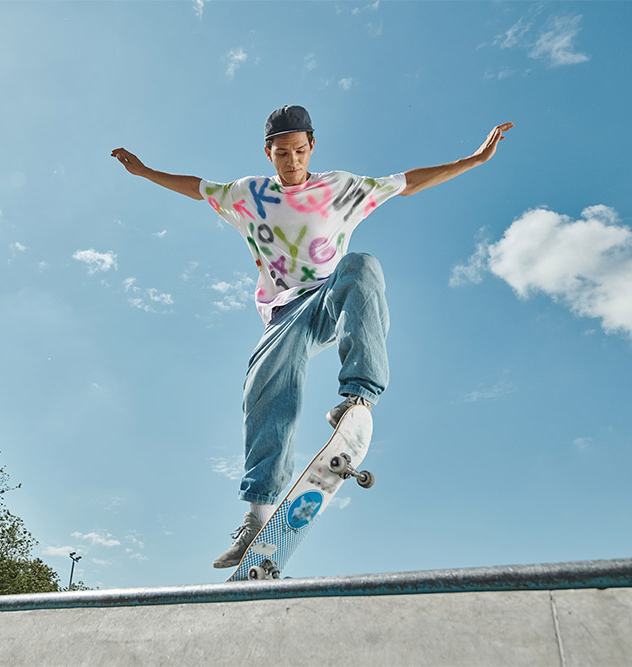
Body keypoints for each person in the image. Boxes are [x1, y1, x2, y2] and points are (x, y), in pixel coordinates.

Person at [112, 106, 513, 568]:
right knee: (264, 386)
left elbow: (407, 182)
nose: (292, 161)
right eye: (282, 153)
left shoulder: (340, 187)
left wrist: (472, 160)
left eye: (299, 151)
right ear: (268, 152)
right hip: (284, 312)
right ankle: (259, 517)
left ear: (312, 147)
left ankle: (357, 398)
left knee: (362, 266)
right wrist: (143, 172)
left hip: (329, 298)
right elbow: (195, 187)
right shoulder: (247, 194)